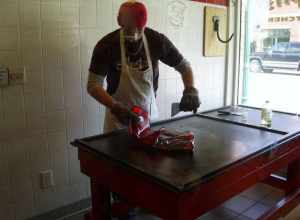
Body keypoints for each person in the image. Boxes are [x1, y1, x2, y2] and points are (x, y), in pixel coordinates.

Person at [87, 0, 200, 135]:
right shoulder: (107, 46)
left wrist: (190, 89)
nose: (134, 35)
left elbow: (184, 67)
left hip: (149, 121)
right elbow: (93, 86)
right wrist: (115, 107)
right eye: (130, 29)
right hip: (117, 122)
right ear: (119, 21)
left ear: (144, 24)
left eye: (139, 29)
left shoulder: (157, 41)